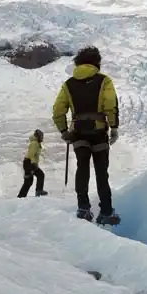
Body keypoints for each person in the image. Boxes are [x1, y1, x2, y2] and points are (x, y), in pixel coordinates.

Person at [52, 46, 121, 225]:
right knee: (101, 172)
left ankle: (83, 208)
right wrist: (113, 127)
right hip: (98, 132)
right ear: (96, 62)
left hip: (78, 132)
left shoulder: (68, 84)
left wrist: (64, 131)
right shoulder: (104, 81)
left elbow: (58, 110)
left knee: (82, 167)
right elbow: (110, 104)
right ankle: (106, 211)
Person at [17, 129, 48, 198]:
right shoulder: (35, 143)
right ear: (38, 136)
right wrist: (33, 164)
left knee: (28, 181)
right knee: (40, 175)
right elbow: (31, 154)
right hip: (29, 162)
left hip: (28, 162)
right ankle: (39, 191)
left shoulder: (35, 143)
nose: (42, 138)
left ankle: (21, 196)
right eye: (41, 136)